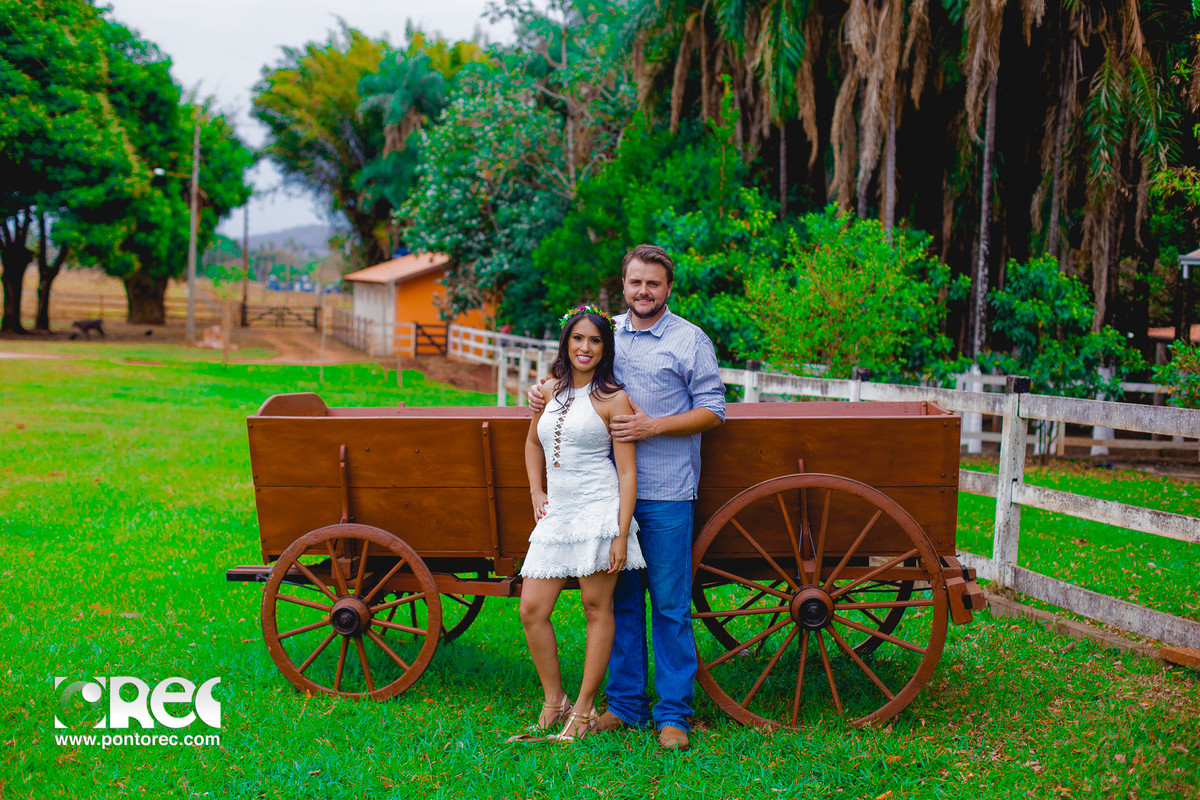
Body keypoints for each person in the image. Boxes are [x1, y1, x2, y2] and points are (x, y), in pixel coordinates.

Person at [528, 244, 725, 751]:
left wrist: (651, 426)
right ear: (624, 284)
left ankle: (674, 714)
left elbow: (713, 410)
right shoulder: (606, 331)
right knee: (621, 604)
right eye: (635, 282)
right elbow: (575, 374)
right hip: (605, 497)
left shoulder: (690, 340)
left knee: (671, 605)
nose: (643, 291)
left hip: (666, 490)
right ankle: (626, 705)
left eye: (653, 283)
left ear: (668, 288)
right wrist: (542, 389)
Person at [515, 304, 647, 742]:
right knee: (532, 609)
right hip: (558, 514)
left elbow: (627, 471)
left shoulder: (614, 398)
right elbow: (532, 443)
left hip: (598, 512)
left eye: (594, 340)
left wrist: (620, 533)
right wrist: (536, 491)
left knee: (596, 608)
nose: (585, 347)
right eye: (578, 338)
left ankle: (585, 710)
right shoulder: (547, 390)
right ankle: (555, 701)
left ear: (605, 347)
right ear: (565, 342)